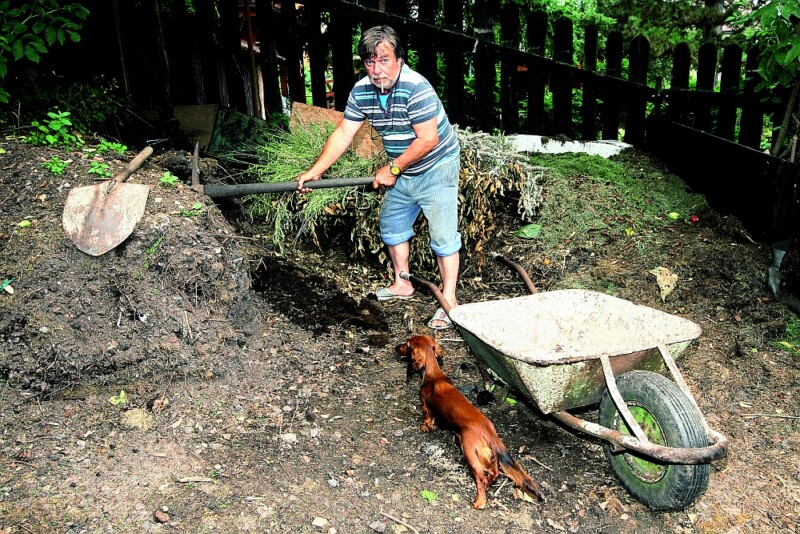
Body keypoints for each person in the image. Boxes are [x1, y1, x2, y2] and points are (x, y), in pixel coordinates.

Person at [298, 25, 461, 330]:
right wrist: (315, 171)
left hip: (437, 166)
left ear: (400, 57)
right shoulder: (362, 91)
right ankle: (403, 284)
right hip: (404, 168)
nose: (376, 70)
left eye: (384, 60)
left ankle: (449, 301)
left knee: (443, 236)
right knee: (392, 224)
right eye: (370, 62)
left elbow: (428, 140)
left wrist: (393, 169)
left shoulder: (416, 88)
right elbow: (345, 132)